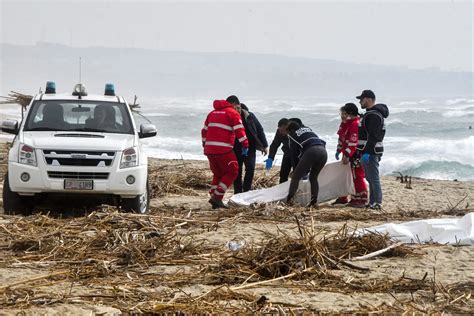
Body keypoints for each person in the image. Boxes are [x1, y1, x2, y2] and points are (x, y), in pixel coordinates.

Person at [201, 99, 249, 209]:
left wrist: (205, 144)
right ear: (233, 105)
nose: (238, 109)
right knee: (233, 171)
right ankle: (217, 198)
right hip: (223, 149)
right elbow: (239, 130)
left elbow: (204, 131)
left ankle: (214, 195)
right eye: (236, 106)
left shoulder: (212, 113)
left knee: (218, 173)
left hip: (209, 149)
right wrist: (245, 145)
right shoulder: (233, 113)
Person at [356, 90, 389, 210]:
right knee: (370, 178)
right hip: (369, 151)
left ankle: (377, 203)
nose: (360, 101)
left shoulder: (373, 115)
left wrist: (366, 153)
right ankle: (372, 202)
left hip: (371, 151)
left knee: (373, 178)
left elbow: (373, 136)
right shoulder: (370, 114)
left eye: (361, 99)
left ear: (369, 99)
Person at [283, 121, 327, 207]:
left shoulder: (293, 135)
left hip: (312, 151)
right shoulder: (307, 129)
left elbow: (294, 154)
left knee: (295, 177)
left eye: (288, 132)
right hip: (323, 151)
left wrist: (295, 170)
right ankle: (314, 202)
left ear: (291, 130)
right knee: (313, 177)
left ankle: (289, 201)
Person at [333, 103, 368, 207]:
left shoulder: (355, 124)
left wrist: (347, 154)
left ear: (350, 114)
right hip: (347, 152)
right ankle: (343, 197)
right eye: (341, 113)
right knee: (345, 175)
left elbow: (354, 141)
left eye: (344, 113)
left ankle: (361, 199)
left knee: (357, 175)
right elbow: (341, 137)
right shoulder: (344, 123)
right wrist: (339, 149)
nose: (342, 115)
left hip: (356, 154)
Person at [231, 100, 269, 193]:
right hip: (235, 148)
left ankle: (246, 191)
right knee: (237, 172)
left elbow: (259, 129)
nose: (237, 110)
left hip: (250, 147)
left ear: (240, 106)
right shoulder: (229, 117)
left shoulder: (249, 116)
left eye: (238, 107)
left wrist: (264, 145)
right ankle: (237, 193)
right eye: (234, 108)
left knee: (250, 169)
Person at [266, 118, 291, 183]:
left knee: (298, 174)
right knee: (283, 174)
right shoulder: (279, 131)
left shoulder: (296, 131)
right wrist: (270, 158)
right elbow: (275, 144)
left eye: (282, 130)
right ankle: (282, 191)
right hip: (287, 153)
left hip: (298, 155)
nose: (280, 132)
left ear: (288, 128)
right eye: (280, 130)